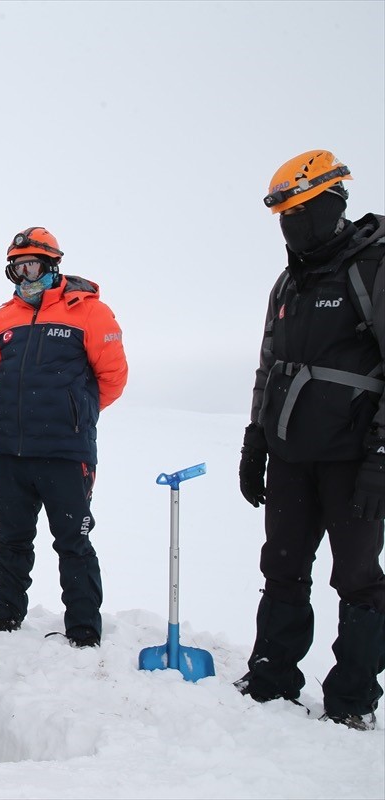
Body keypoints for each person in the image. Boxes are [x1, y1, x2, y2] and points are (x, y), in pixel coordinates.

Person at [237, 150, 385, 732]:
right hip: (291, 455)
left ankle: (353, 699)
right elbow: (269, 363)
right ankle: (272, 677)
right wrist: (255, 438)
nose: (290, 226)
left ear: (332, 203)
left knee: (357, 577)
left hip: (354, 460)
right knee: (282, 564)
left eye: (299, 212)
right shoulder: (290, 281)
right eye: (283, 216)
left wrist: (380, 458)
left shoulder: (370, 268)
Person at [0, 226, 127, 647]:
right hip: (10, 450)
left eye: (32, 265)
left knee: (74, 542)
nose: (25, 275)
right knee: (10, 539)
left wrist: (75, 414)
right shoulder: (2, 318)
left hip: (66, 451)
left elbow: (113, 377)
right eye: (17, 268)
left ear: (52, 264)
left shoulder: (89, 311)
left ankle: (83, 630)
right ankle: (7, 616)